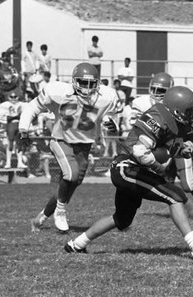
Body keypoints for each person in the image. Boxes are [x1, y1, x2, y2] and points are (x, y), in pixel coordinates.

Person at [64, 86, 193, 259]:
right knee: (175, 196)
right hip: (128, 167)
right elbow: (140, 152)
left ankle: (76, 245)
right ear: (177, 110)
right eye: (189, 111)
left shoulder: (172, 121)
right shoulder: (157, 118)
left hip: (129, 169)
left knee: (121, 219)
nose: (192, 115)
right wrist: (160, 169)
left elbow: (165, 150)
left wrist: (183, 151)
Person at [22, 63, 118, 232]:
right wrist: (24, 129)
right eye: (83, 82)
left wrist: (110, 123)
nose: (87, 88)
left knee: (70, 184)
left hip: (85, 143)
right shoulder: (58, 92)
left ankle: (40, 219)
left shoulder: (106, 96)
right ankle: (60, 211)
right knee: (71, 174)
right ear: (74, 81)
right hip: (61, 139)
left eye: (91, 84)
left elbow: (108, 117)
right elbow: (33, 107)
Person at [130, 73, 193, 221]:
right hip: (159, 148)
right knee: (161, 181)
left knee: (188, 184)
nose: (156, 94)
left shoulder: (180, 102)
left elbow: (190, 129)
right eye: (154, 90)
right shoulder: (142, 104)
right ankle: (190, 209)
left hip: (178, 145)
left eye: (161, 91)